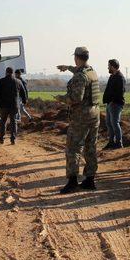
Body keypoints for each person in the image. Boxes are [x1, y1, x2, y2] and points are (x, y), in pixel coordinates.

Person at [56, 47, 101, 194]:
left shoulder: (81, 77)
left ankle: (72, 181)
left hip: (81, 117)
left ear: (76, 57)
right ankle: (90, 179)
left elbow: (76, 98)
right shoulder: (91, 71)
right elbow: (80, 72)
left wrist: (62, 99)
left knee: (73, 148)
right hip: (94, 114)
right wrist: (67, 68)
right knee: (91, 147)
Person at [0, 67, 25, 145]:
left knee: (3, 122)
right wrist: (24, 101)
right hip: (14, 105)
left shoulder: (1, 81)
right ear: (12, 73)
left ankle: (1, 138)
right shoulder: (18, 81)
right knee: (13, 122)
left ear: (6, 72)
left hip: (3, 105)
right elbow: (23, 92)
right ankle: (13, 139)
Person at [103, 59, 126, 149]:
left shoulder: (120, 77)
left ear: (113, 66)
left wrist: (112, 101)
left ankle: (119, 143)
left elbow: (120, 92)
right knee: (109, 123)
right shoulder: (112, 76)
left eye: (109, 65)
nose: (108, 67)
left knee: (115, 123)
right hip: (110, 103)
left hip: (116, 104)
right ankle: (111, 142)